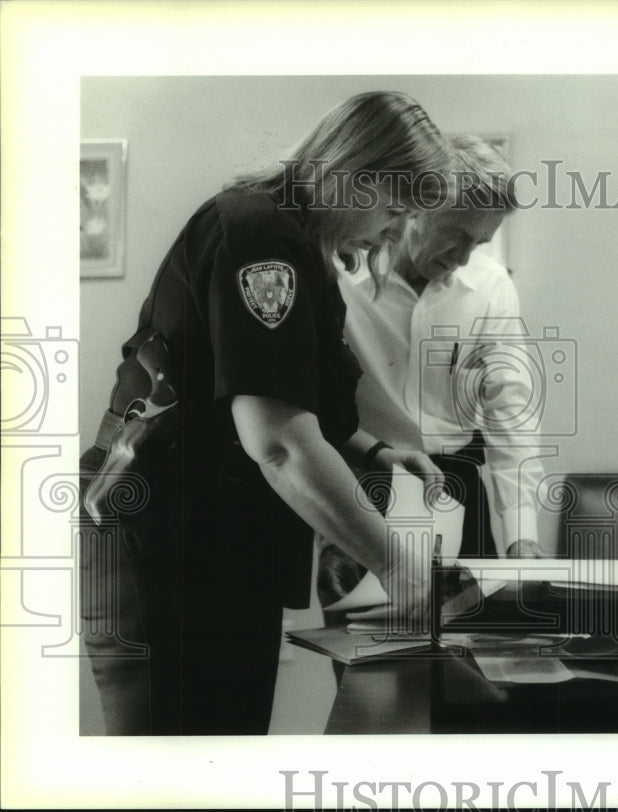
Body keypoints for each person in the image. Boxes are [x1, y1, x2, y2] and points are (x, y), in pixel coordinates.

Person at [78, 91, 451, 735]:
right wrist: (398, 566)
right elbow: (277, 442)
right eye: (394, 210)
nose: (393, 233)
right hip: (168, 557)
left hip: (219, 555)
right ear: (352, 175)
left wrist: (373, 451)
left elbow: (291, 400)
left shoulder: (299, 249)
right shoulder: (260, 237)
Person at [317, 135, 547, 609]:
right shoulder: (339, 275)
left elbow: (511, 408)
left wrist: (522, 534)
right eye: (458, 235)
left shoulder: (490, 286)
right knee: (368, 669)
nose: (465, 257)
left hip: (459, 494)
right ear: (417, 208)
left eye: (480, 242)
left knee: (471, 669)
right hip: (360, 491)